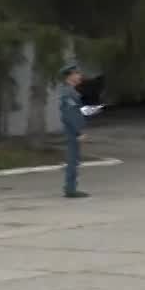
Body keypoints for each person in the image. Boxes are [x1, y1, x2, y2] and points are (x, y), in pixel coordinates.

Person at [59, 64, 89, 198]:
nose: (80, 76)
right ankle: (70, 189)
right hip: (72, 130)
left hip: (72, 129)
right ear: (70, 76)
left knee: (73, 158)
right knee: (73, 159)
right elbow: (71, 114)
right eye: (77, 73)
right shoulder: (69, 93)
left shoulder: (70, 92)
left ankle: (70, 187)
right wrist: (79, 132)